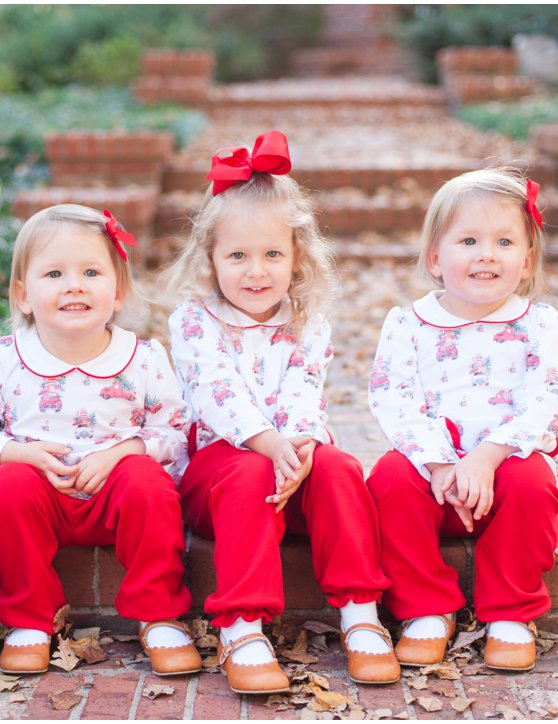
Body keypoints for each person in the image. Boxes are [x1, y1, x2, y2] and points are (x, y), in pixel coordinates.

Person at [163, 130, 399, 694]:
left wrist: (299, 446)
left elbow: (305, 388)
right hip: (219, 483)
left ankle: (360, 614)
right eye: (237, 256)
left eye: (272, 254)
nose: (255, 270)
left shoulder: (305, 320)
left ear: (296, 258)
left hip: (291, 469)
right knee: (246, 469)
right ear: (211, 259)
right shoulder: (195, 321)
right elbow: (218, 394)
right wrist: (267, 444)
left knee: (339, 467)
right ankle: (242, 626)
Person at [0, 204, 202, 678]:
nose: (74, 285)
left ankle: (158, 613)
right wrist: (18, 453)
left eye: (90, 271)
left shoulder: (142, 358)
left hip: (118, 501)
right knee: (7, 486)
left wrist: (125, 451)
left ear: (118, 290)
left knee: (146, 481)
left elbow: (174, 430)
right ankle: (29, 621)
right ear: (23, 295)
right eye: (54, 273)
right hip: (41, 502)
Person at [366, 167, 558, 672]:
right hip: (432, 476)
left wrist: (488, 456)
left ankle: (510, 613)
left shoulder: (538, 323)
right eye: (469, 240)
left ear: (527, 261)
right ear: (436, 258)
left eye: (504, 241)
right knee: (388, 479)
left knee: (533, 483)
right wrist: (437, 464)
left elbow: (546, 397)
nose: (487, 254)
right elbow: (392, 397)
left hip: (506, 464)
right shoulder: (408, 323)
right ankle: (426, 608)